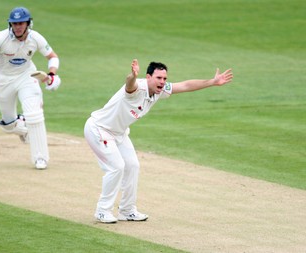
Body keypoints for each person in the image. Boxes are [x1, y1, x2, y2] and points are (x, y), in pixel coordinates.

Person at [84, 59, 233, 223]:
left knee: (132, 166)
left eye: (164, 78)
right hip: (99, 129)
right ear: (148, 77)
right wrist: (132, 75)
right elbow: (129, 84)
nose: (162, 82)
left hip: (119, 133)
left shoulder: (159, 90)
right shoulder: (137, 87)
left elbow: (184, 86)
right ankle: (102, 210)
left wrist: (212, 82)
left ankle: (127, 210)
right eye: (158, 78)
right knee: (117, 167)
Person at [0, 7, 61, 170]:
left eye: (21, 23)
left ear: (28, 23)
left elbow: (52, 57)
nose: (17, 26)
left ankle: (40, 158)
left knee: (34, 114)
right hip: (4, 80)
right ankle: (24, 129)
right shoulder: (1, 38)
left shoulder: (36, 38)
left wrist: (52, 75)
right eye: (14, 23)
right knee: (8, 125)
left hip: (28, 76)